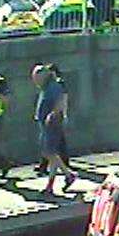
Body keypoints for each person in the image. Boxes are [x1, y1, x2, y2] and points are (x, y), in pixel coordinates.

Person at [32, 64, 78, 195]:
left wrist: (52, 114)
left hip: (52, 123)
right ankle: (52, 184)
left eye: (36, 77)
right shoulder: (46, 87)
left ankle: (68, 174)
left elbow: (61, 100)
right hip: (46, 124)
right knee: (51, 154)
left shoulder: (54, 86)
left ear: (42, 75)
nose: (35, 81)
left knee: (49, 152)